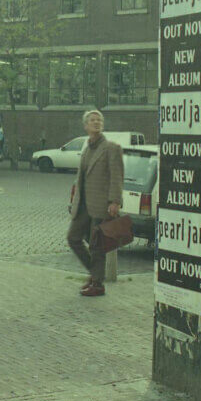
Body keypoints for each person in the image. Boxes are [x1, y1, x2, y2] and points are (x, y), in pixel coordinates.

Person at [66, 109, 124, 297]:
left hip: (100, 205)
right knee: (73, 238)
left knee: (96, 246)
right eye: (92, 120)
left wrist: (115, 201)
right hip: (83, 204)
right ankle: (95, 274)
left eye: (99, 120)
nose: (96, 122)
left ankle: (97, 284)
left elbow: (117, 176)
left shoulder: (111, 148)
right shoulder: (86, 147)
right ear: (86, 126)